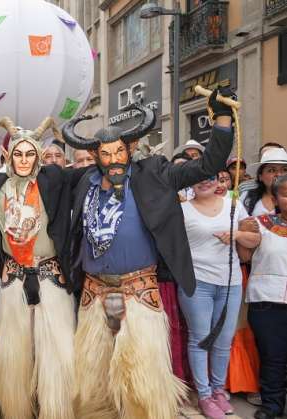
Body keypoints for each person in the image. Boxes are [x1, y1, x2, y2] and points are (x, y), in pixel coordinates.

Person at [62, 88, 236, 419]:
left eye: (118, 152)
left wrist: (223, 120)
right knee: (92, 382)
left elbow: (210, 164)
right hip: (93, 293)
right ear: (95, 156)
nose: (112, 160)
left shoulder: (154, 174)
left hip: (138, 292)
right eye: (104, 153)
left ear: (129, 150)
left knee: (140, 385)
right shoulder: (84, 181)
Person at [0, 117, 79, 419]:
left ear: (39, 156)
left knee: (56, 356)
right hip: (14, 277)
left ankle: (54, 411)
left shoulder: (52, 182)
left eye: (29, 154)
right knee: (13, 357)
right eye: (17, 154)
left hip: (49, 276)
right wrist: (2, 260)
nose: (23, 160)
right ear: (8, 156)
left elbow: (83, 173)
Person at [179, 175, 257, 419]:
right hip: (197, 284)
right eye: (198, 178)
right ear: (190, 181)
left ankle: (218, 390)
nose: (204, 182)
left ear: (219, 180)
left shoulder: (233, 205)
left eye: (210, 177)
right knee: (200, 340)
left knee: (224, 341)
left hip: (231, 282)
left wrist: (236, 236)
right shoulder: (182, 210)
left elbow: (254, 238)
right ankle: (204, 395)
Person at [237, 175, 287, 419]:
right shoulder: (260, 223)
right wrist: (243, 234)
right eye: (285, 193)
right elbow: (244, 257)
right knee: (273, 356)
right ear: (275, 198)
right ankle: (272, 405)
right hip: (268, 300)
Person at [242, 148, 287, 216]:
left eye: (284, 169)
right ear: (260, 176)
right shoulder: (247, 197)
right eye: (271, 170)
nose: (279, 174)